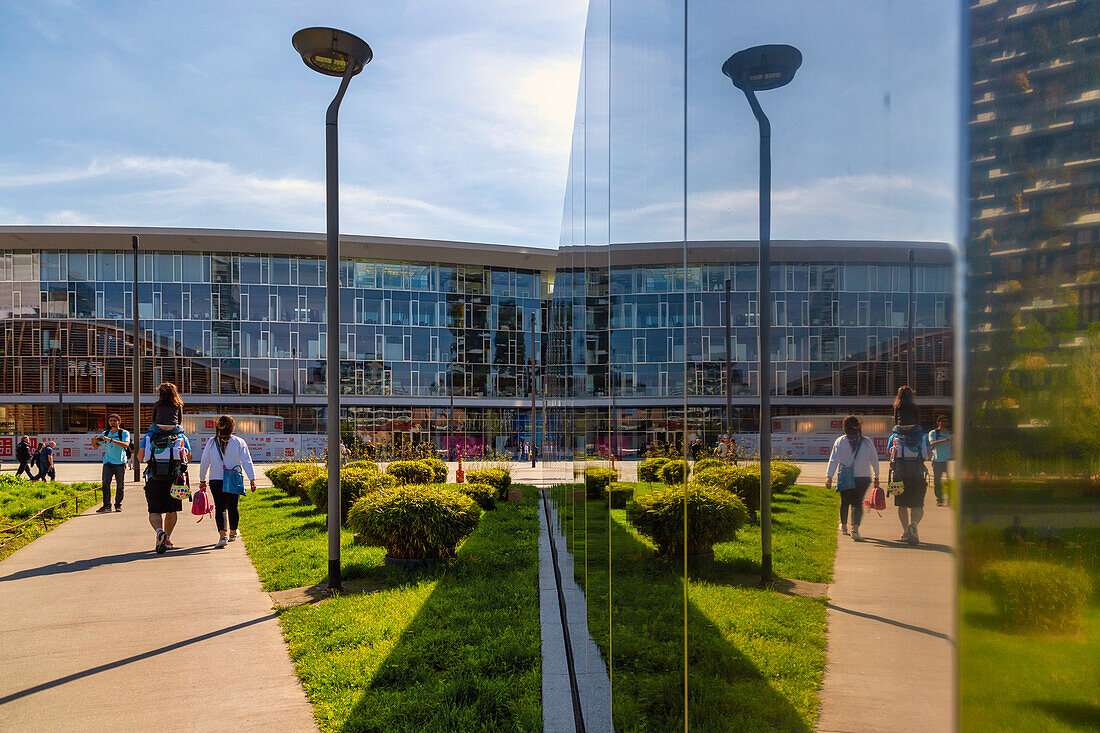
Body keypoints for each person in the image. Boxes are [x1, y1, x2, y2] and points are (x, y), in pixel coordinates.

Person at [198, 415, 256, 549]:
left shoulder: (211, 442)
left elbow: (204, 462)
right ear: (232, 427)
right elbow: (247, 461)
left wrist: (202, 479)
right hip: (234, 479)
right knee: (233, 506)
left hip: (215, 479)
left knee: (220, 507)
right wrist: (252, 479)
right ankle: (233, 533)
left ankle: (222, 536)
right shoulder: (239, 442)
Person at [825, 415, 880, 542]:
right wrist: (876, 476)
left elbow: (833, 459)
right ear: (859, 426)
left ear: (844, 427)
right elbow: (874, 459)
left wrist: (829, 476)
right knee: (857, 502)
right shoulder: (867, 441)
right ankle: (854, 529)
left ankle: (844, 526)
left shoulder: (840, 441)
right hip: (863, 476)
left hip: (845, 475)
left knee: (845, 502)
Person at [138, 425, 191, 554]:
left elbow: (140, 457)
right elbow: (188, 458)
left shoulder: (148, 436)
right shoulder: (181, 436)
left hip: (153, 477)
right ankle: (167, 538)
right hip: (174, 479)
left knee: (154, 511)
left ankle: (159, 531)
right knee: (171, 511)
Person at [889, 393, 932, 545]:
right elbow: (928, 455)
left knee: (901, 504)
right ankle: (913, 524)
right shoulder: (922, 436)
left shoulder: (894, 436)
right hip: (917, 473)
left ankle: (905, 532)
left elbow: (889, 454)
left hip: (899, 474)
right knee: (917, 504)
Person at [92, 414, 130, 513]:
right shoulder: (106, 433)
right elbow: (96, 446)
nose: (112, 422)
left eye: (114, 421)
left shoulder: (124, 433)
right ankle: (106, 505)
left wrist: (111, 440)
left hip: (120, 462)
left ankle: (118, 505)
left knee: (120, 485)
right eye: (110, 421)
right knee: (105, 484)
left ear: (119, 422)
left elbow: (126, 444)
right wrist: (94, 440)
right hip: (108, 462)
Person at [928, 415, 952, 507]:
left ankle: (950, 498)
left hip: (948, 460)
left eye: (946, 421)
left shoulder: (949, 433)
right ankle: (940, 499)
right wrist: (945, 440)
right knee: (937, 481)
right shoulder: (934, 433)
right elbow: (931, 443)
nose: (945, 423)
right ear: (938, 423)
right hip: (937, 460)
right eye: (942, 421)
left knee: (950, 481)